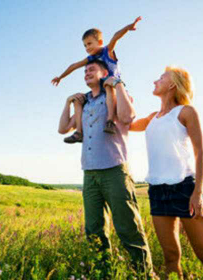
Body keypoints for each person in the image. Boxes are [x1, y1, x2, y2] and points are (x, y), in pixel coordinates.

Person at [130, 66, 203, 280]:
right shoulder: (152, 117)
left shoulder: (186, 112)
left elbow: (200, 153)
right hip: (158, 191)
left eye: (161, 78)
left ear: (172, 85)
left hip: (185, 188)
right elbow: (126, 125)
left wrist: (198, 193)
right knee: (170, 256)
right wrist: (120, 95)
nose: (154, 81)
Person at [58, 59, 153, 278]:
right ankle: (102, 274)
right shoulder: (85, 103)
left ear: (104, 72)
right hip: (89, 173)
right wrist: (68, 102)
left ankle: (145, 275)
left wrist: (117, 83)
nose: (86, 73)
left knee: (128, 227)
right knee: (94, 231)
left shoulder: (114, 94)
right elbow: (63, 128)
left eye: (91, 69)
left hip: (114, 170)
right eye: (84, 71)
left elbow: (128, 117)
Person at [53, 16, 142, 143]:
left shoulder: (107, 51)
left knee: (108, 85)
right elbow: (74, 65)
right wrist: (61, 77)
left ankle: (110, 121)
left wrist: (128, 27)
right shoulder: (90, 58)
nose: (87, 48)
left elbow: (116, 36)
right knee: (78, 100)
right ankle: (79, 132)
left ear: (100, 42)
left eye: (89, 44)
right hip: (99, 90)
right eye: (85, 46)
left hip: (112, 86)